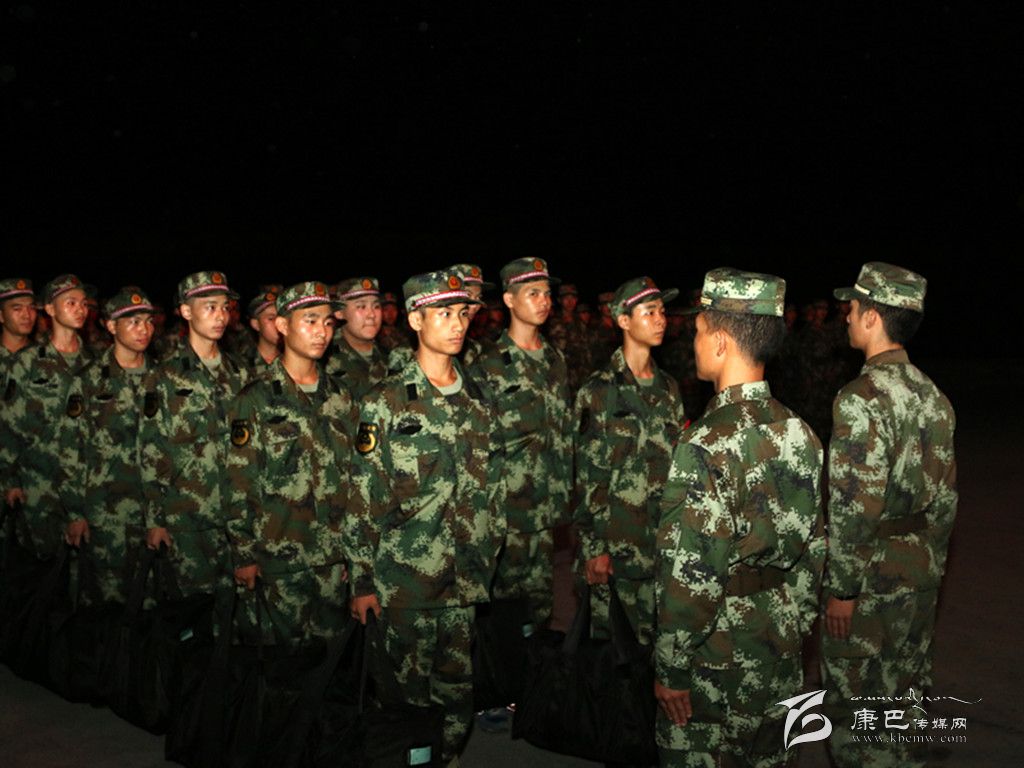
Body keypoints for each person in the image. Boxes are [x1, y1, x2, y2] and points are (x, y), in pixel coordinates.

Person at [655, 268, 825, 768]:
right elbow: (814, 551)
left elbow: (692, 574)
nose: (693, 343)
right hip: (779, 643)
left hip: (714, 655)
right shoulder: (801, 432)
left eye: (698, 331)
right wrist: (792, 626)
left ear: (720, 341)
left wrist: (671, 667)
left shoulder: (705, 442)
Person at [347, 269, 505, 764]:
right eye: (443, 313)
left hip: (465, 581)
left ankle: (447, 758)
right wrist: (362, 581)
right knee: (404, 702)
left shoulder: (479, 400)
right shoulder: (386, 402)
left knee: (456, 697)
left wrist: (488, 555)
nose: (457, 324)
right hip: (405, 585)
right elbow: (364, 497)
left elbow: (494, 491)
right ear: (416, 320)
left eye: (462, 313)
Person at [821, 262, 957, 768]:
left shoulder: (860, 399)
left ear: (873, 317)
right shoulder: (934, 397)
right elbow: (946, 500)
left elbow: (853, 506)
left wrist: (842, 589)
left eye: (853, 307)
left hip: (871, 579)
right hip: (919, 572)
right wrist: (929, 564)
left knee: (857, 712)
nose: (846, 316)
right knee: (903, 700)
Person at [224, 281, 356, 642]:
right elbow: (239, 482)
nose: (322, 332)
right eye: (310, 321)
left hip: (333, 560)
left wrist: (353, 554)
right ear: (282, 325)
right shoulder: (255, 400)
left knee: (330, 657)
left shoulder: (341, 398)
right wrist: (245, 555)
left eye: (328, 322)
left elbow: (356, 480)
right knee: (280, 660)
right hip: (278, 560)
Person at [573, 277, 686, 646]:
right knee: (614, 655)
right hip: (618, 551)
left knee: (661, 653)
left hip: (663, 548)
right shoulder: (598, 391)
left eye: (662, 311)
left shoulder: (669, 388)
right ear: (624, 321)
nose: (661, 319)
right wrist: (594, 549)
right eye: (649, 312)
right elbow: (588, 477)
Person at [468, 258, 572, 630]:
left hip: (548, 509)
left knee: (542, 609)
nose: (544, 301)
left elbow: (563, 433)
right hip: (507, 512)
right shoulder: (489, 364)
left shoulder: (555, 359)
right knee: (505, 614)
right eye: (533, 293)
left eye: (547, 293)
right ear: (509, 300)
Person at [140, 271, 249, 600]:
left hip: (236, 518)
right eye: (210, 307)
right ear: (186, 311)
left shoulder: (240, 373)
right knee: (189, 609)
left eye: (225, 307)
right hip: (186, 517)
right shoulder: (164, 376)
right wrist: (155, 519)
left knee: (235, 610)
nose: (220, 316)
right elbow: (152, 449)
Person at [62, 287, 158, 604]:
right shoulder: (88, 381)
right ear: (111, 326)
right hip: (105, 511)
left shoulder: (163, 378)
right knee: (105, 600)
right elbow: (72, 448)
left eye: (148, 321)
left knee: (151, 600)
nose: (144, 330)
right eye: (133, 322)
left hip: (153, 512)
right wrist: (75, 512)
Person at [1, 274, 93, 560]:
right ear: (50, 309)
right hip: (39, 482)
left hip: (84, 484)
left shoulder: (95, 362)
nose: (80, 309)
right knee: (42, 566)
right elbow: (9, 423)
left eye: (83, 303)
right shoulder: (28, 361)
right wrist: (9, 480)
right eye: (70, 303)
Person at [325, 277, 389, 400]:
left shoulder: (392, 355)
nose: (371, 315)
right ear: (339, 312)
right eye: (361, 306)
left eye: (376, 306)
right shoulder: (323, 358)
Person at [447, 263, 494, 366]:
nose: (475, 306)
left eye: (478, 297)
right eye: (467, 295)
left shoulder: (477, 349)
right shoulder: (414, 350)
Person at [244, 284, 284, 370]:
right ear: (256, 324)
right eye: (271, 319)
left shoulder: (293, 360)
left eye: (281, 317)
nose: (278, 323)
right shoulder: (242, 364)